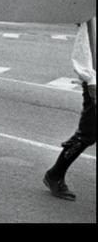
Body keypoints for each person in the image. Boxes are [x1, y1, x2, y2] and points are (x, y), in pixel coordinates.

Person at [43, 22, 95, 200]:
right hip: (95, 84)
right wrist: (91, 82)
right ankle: (54, 175)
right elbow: (84, 50)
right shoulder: (92, 17)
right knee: (87, 134)